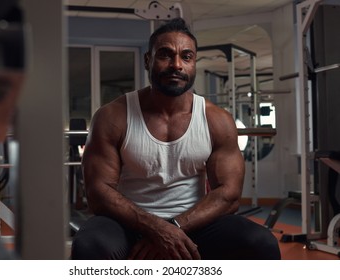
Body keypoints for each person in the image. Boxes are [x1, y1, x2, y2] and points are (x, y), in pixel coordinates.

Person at [71, 18, 281, 260]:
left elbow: (228, 195)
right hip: (128, 224)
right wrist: (154, 229)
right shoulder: (113, 116)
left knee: (261, 242)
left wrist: (174, 228)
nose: (177, 64)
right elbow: (99, 192)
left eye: (187, 56)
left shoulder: (217, 120)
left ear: (194, 64)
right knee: (89, 246)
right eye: (165, 55)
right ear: (148, 60)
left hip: (193, 224)